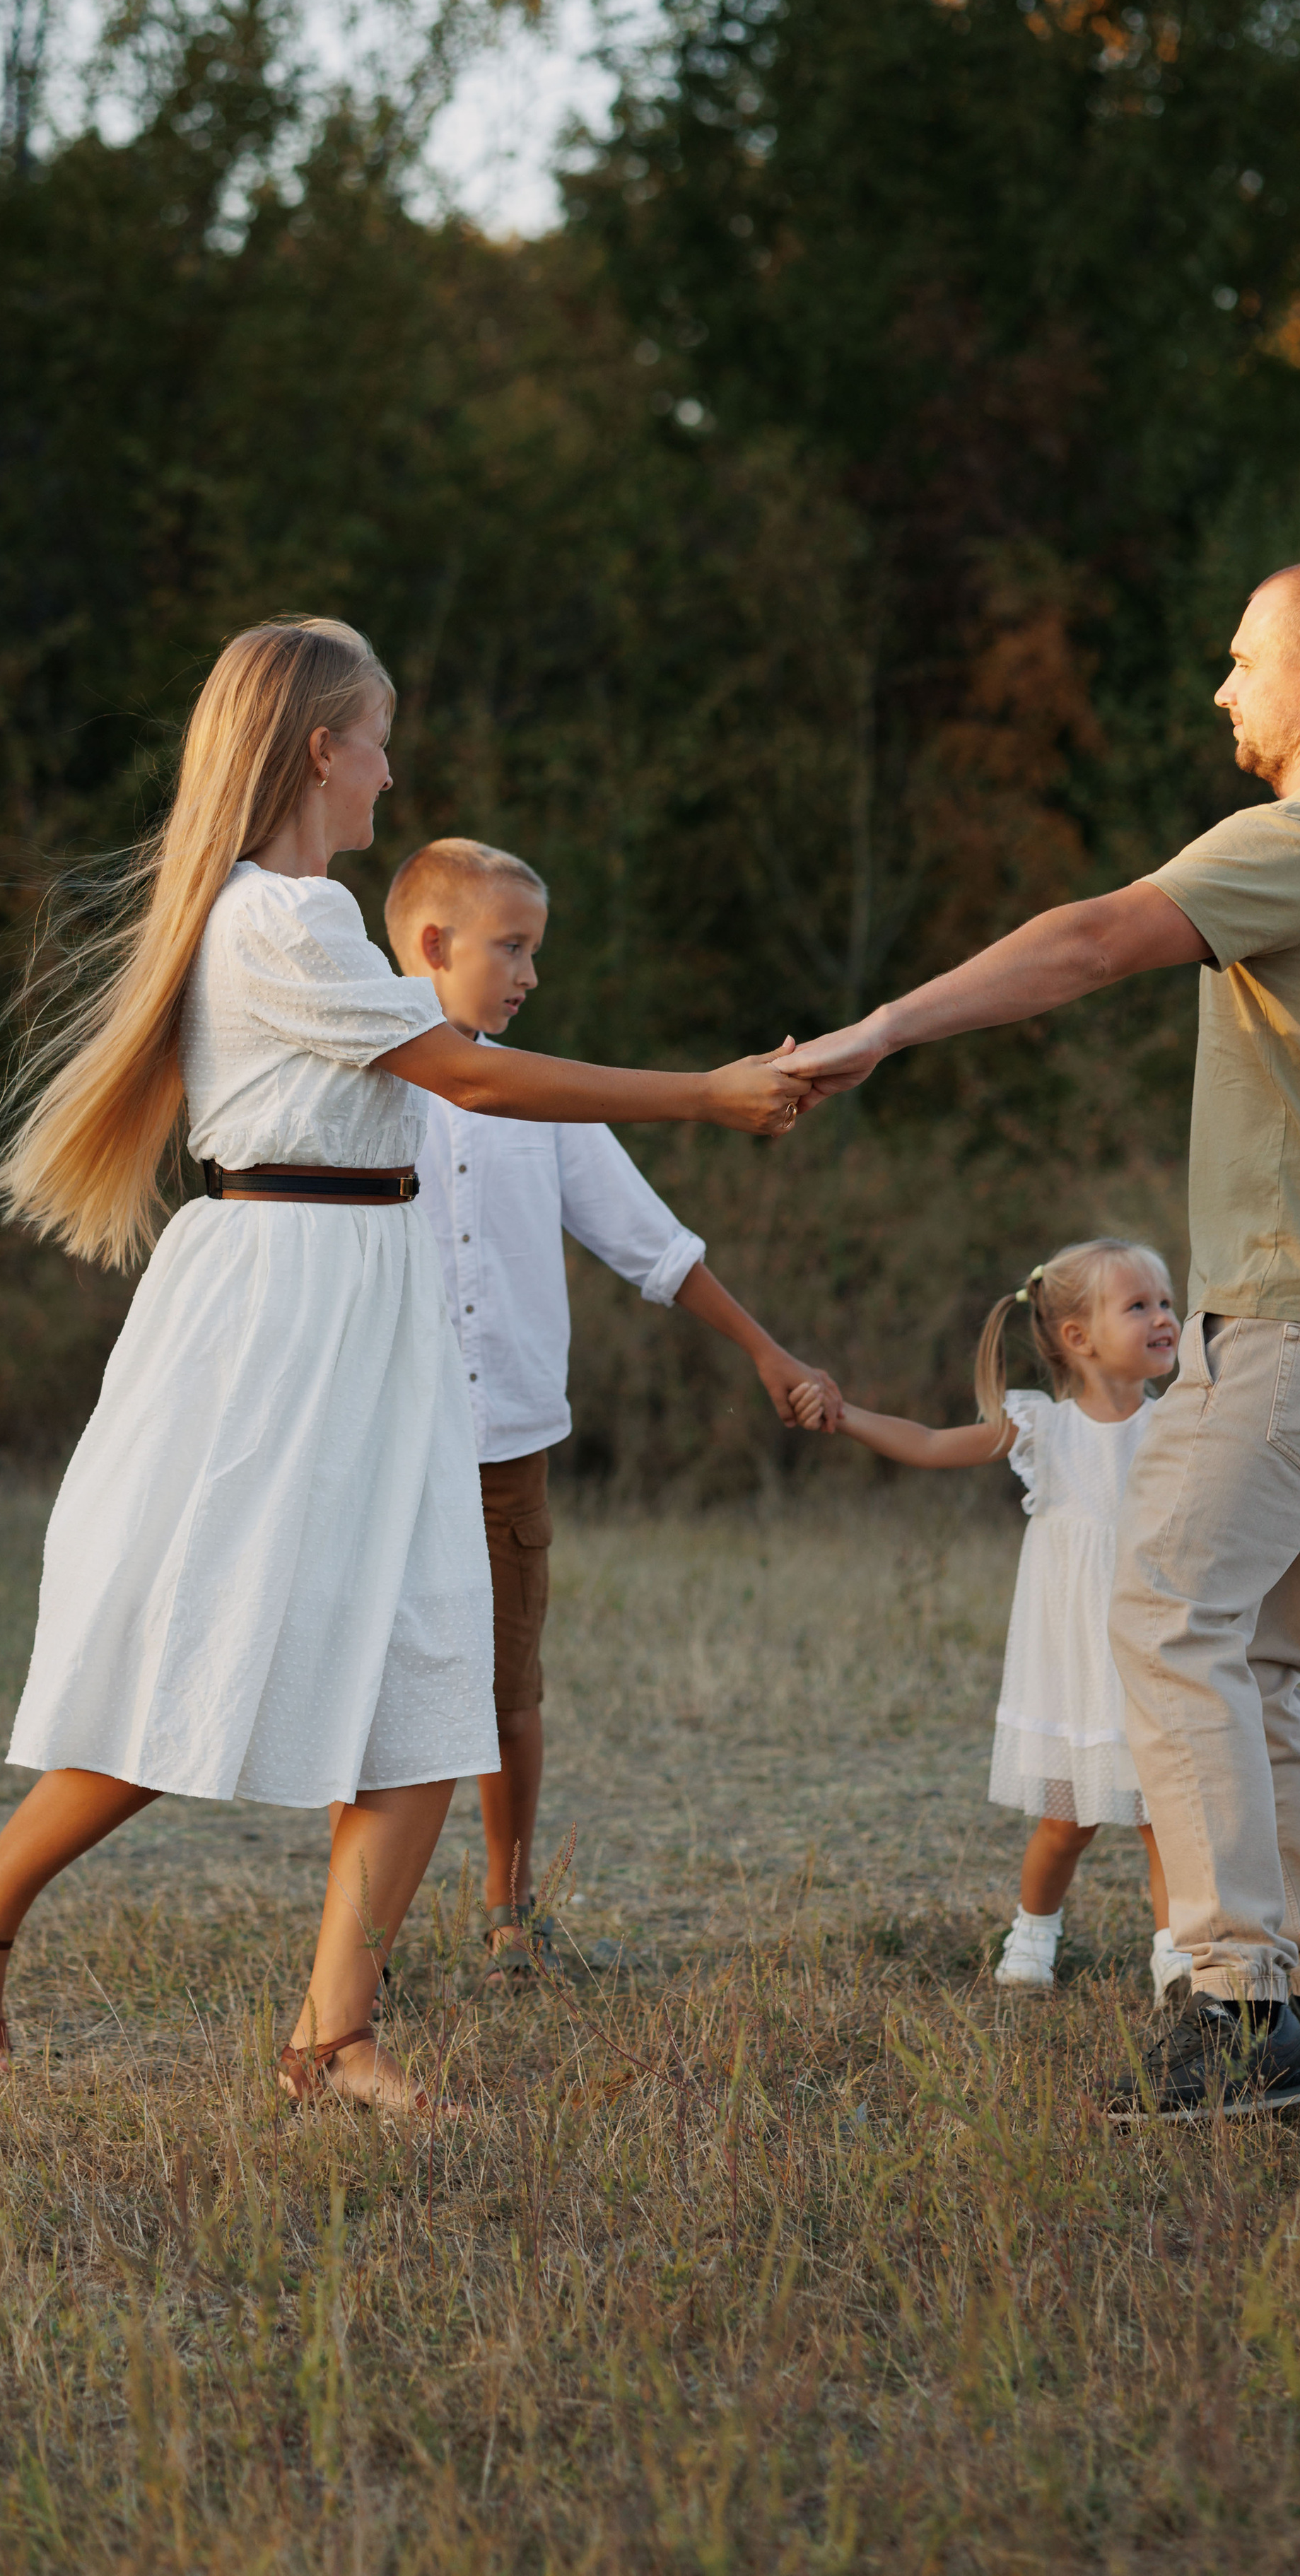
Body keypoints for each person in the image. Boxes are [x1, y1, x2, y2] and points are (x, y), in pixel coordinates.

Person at [0, 616, 804, 2113]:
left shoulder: (303, 912)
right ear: (321, 746)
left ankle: (333, 2036)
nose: (392, 770)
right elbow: (459, 1070)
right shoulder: (281, 920)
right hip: (285, 1316)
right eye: (378, 738)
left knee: (431, 1678)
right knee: (209, 1649)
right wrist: (702, 1096)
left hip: (367, 1304)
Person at [782, 561, 1300, 2120]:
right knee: (1262, 1659)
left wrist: (882, 1026)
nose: (1217, 690)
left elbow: (1090, 938)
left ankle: (1232, 2012)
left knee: (1163, 1613)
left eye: (1240, 662)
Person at [381, 836, 840, 1981]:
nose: (532, 974)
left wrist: (764, 1350)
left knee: (508, 1688)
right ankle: (364, 1942)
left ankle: (508, 1909)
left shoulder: (551, 1101)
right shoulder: (361, 1084)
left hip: (508, 1447)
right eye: (513, 948)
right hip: (386, 1444)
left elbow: (652, 1247)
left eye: (539, 950)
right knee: (374, 1693)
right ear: (432, 946)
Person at [790, 1239, 1190, 2006]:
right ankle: (1034, 1931)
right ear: (1077, 1337)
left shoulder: (1177, 1424)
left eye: (1166, 1301)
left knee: (1162, 1816)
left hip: (1151, 1645)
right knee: (1064, 1824)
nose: (1163, 1317)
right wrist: (846, 1418)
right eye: (1138, 1305)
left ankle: (1174, 1956)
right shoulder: (1043, 1429)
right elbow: (932, 1443)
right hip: (1076, 1656)